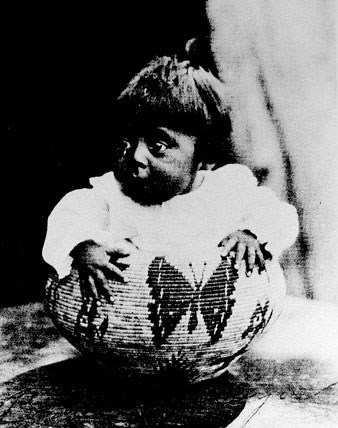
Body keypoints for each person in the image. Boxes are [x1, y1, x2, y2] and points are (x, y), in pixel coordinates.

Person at [42, 46, 298, 304]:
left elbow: (280, 216)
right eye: (128, 142)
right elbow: (67, 217)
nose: (136, 157)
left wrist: (251, 234)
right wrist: (84, 247)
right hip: (132, 327)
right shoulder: (112, 195)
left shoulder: (228, 190)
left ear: (205, 157)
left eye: (158, 146)